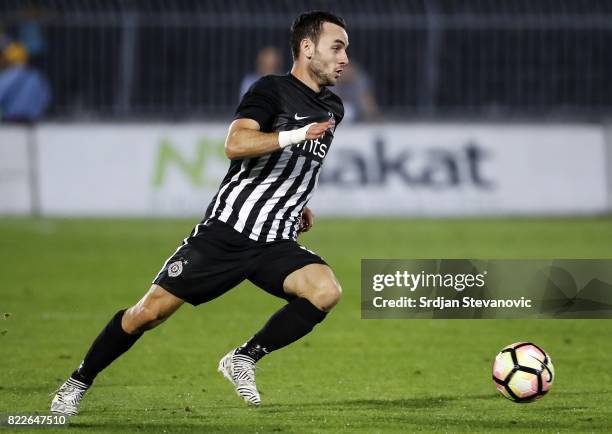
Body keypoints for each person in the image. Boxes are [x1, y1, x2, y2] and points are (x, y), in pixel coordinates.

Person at [51, 10, 349, 415]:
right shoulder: (271, 90)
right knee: (147, 313)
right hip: (226, 232)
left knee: (325, 290)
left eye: (345, 49)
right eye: (337, 47)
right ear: (307, 47)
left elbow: (298, 163)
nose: (344, 57)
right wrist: (295, 133)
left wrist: (297, 199)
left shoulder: (333, 106)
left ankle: (243, 358)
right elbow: (237, 143)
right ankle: (77, 381)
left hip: (276, 239)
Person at [0, 41, 51, 122]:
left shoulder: (7, 76)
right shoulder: (36, 75)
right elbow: (46, 97)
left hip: (12, 119)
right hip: (32, 120)